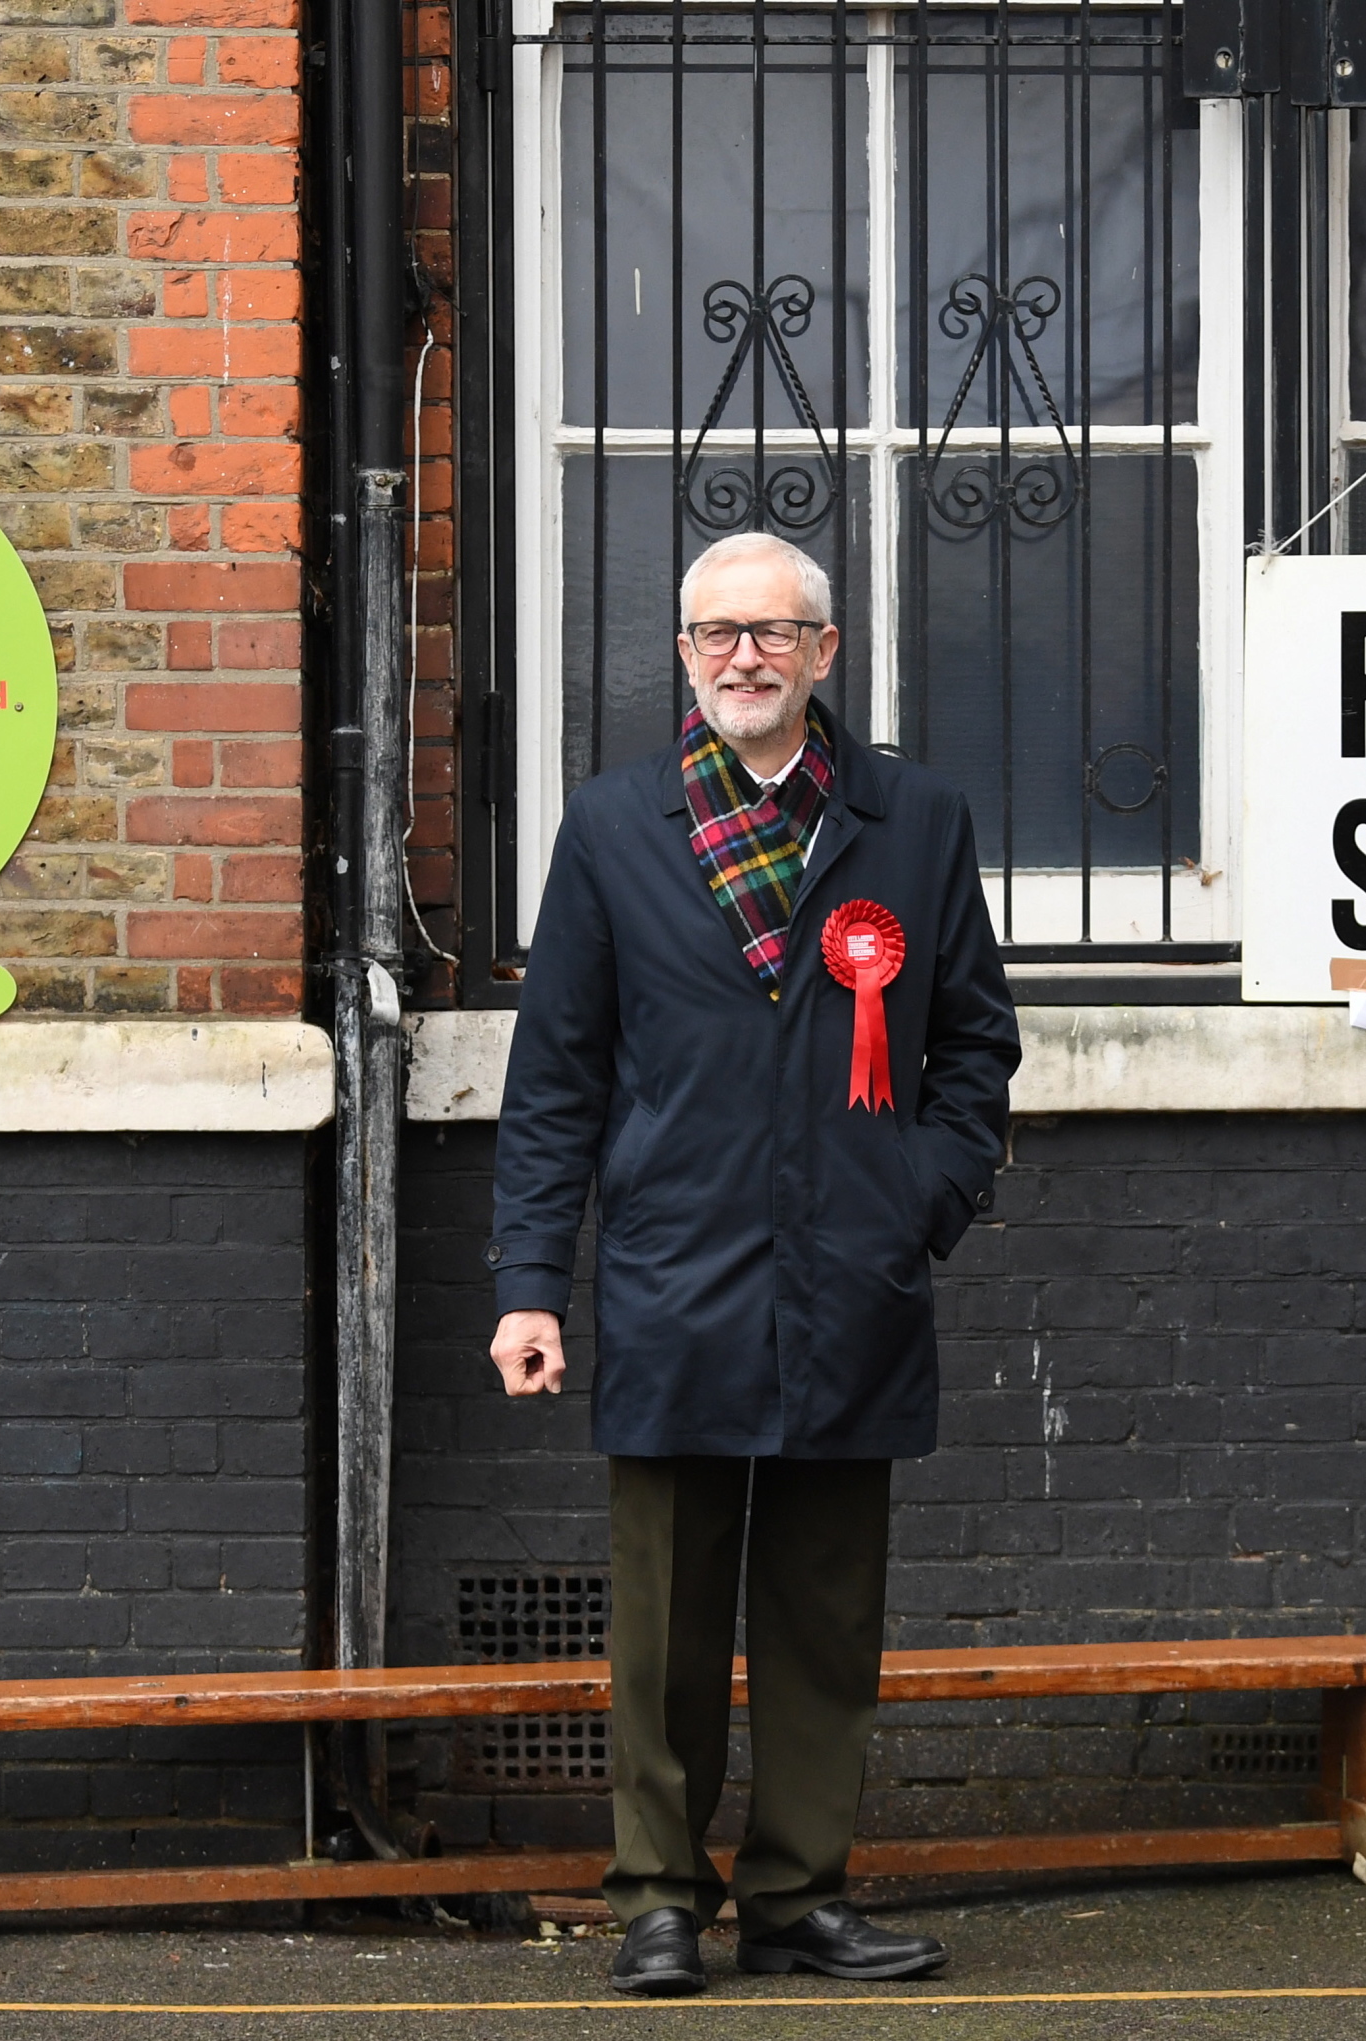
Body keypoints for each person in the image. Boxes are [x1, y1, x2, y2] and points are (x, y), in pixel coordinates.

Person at [485, 531, 1021, 1997]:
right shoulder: (612, 829)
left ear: (825, 653)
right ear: (682, 654)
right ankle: (660, 1895)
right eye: (716, 634)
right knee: (661, 1625)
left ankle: (798, 1897)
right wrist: (531, 1280)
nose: (743, 657)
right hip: (675, 1279)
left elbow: (976, 1040)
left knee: (824, 1620)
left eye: (773, 632)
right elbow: (557, 1083)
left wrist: (924, 1195)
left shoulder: (913, 819)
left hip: (854, 1284)